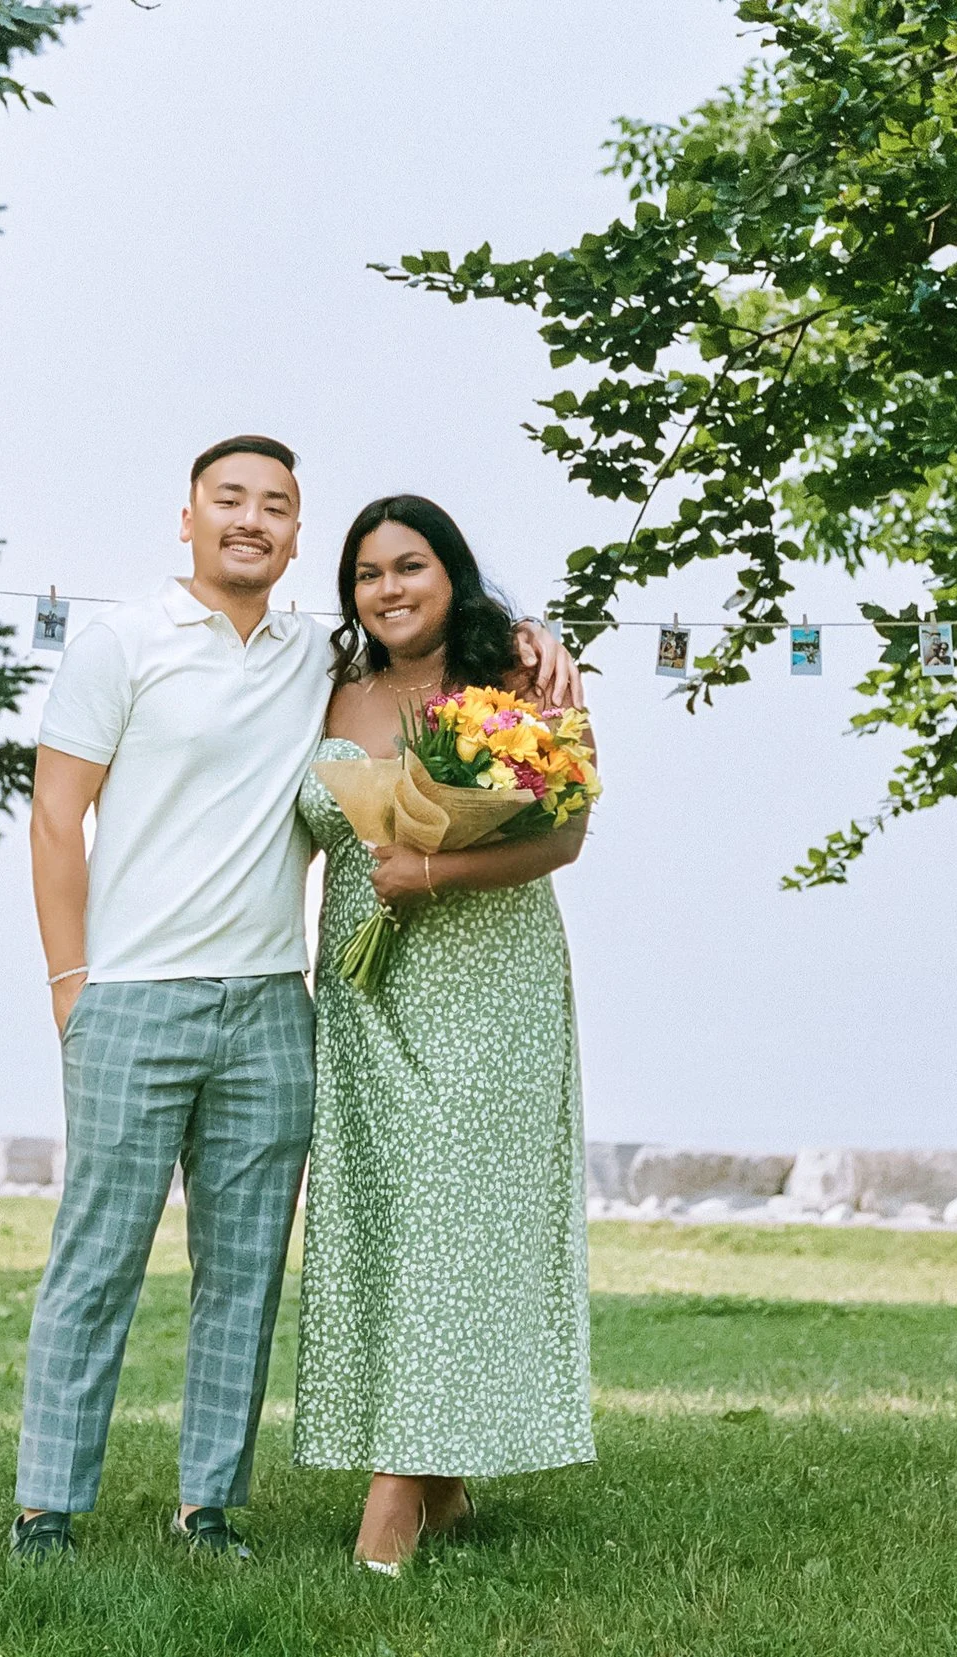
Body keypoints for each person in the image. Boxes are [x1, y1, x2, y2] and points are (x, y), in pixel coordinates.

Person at [13, 439, 580, 1564]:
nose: (252, 520)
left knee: (244, 1273)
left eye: (276, 506)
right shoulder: (124, 639)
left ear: (294, 533)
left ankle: (209, 1505)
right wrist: (70, 984)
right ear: (187, 517)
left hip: (279, 1002)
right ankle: (46, 1509)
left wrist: (529, 637)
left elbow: (480, 700)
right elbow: (53, 816)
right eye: (231, 500)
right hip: (132, 995)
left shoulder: (314, 655)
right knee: (97, 1259)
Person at [292, 493, 595, 1576]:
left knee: (457, 1220)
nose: (388, 589)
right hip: (366, 986)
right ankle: (446, 1487)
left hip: (486, 981)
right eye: (367, 574)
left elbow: (565, 835)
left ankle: (391, 1504)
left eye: (409, 566)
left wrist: (436, 867)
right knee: (391, 1220)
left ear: (451, 573)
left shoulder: (521, 678)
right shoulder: (327, 687)